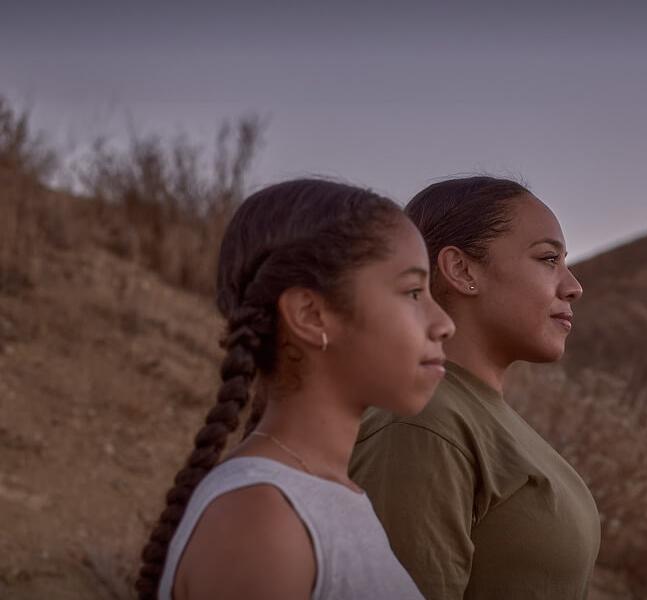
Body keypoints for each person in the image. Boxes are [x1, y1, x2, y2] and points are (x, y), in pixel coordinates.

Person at [135, 179, 455, 600]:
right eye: (413, 291)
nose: (444, 324)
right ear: (310, 315)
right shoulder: (260, 519)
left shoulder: (322, 495)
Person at [350, 176, 600, 600]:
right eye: (547, 259)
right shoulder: (422, 422)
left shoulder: (476, 413)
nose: (573, 286)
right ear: (462, 270)